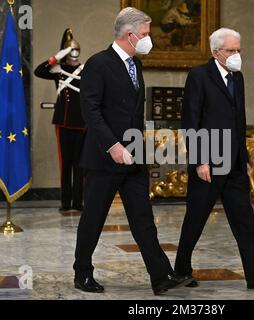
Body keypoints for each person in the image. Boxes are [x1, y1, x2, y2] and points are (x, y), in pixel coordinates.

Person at [73, 7, 192, 295]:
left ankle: (161, 275)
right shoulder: (98, 64)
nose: (149, 39)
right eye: (146, 34)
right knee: (94, 219)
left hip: (134, 157)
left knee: (143, 218)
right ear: (130, 34)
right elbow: (90, 111)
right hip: (104, 159)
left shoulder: (135, 65)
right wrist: (113, 146)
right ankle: (82, 273)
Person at [174, 28, 254, 290]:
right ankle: (180, 271)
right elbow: (191, 121)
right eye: (231, 51)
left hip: (234, 162)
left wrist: (244, 156)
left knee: (245, 219)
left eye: (239, 50)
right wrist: (200, 161)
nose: (236, 55)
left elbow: (239, 120)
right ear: (216, 52)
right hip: (208, 162)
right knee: (196, 218)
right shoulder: (199, 76)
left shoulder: (238, 77)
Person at [34, 29, 85, 213]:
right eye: (69, 51)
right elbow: (38, 71)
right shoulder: (58, 70)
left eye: (75, 50)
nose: (73, 54)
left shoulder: (85, 69)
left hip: (81, 123)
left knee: (80, 166)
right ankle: (65, 203)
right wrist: (56, 57)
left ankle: (78, 203)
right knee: (65, 164)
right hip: (63, 122)